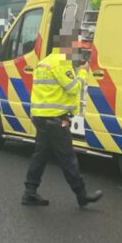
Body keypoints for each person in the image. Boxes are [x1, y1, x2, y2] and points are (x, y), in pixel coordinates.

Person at [22, 33, 103, 208]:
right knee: (67, 158)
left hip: (41, 116)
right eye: (77, 49)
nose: (78, 53)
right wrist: (82, 71)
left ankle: (29, 193)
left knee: (40, 155)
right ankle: (82, 195)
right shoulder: (61, 62)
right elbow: (73, 88)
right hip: (54, 119)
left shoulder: (46, 61)